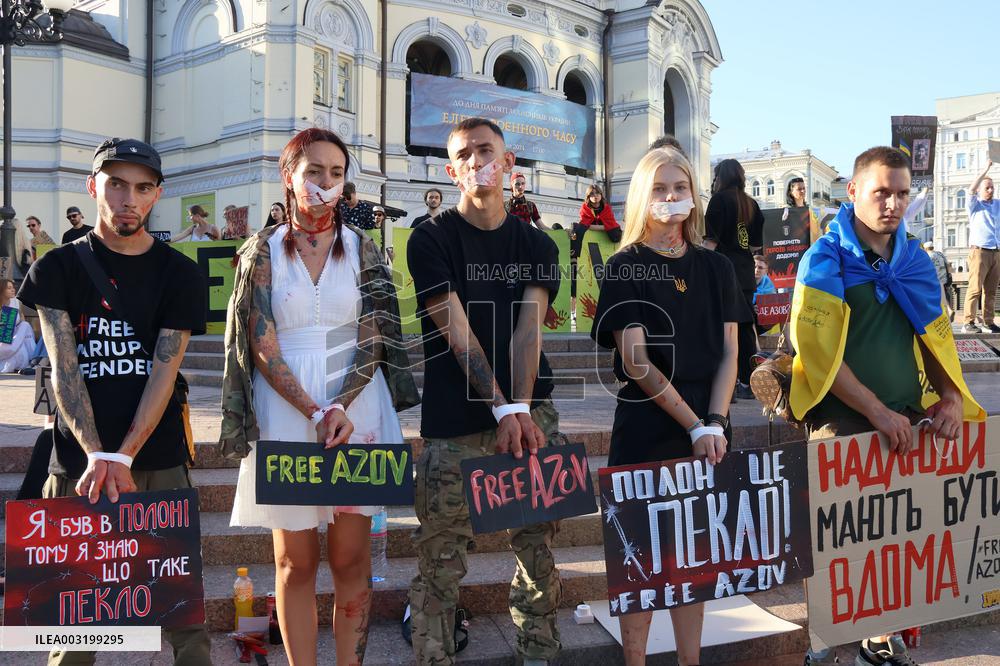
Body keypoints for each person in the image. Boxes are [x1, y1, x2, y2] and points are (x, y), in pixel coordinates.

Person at [221, 127, 419, 666]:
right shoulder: (260, 251)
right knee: (295, 562)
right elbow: (259, 340)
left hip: (360, 410)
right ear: (290, 177)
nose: (326, 183)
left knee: (352, 559)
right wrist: (314, 408)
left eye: (336, 173)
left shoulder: (364, 248)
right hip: (286, 413)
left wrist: (339, 406)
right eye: (314, 171)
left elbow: (374, 332)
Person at [16, 137, 211, 665]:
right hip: (77, 462)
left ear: (157, 195)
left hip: (158, 458)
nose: (129, 199)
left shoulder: (180, 273)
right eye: (116, 184)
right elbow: (64, 366)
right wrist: (98, 454)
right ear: (93, 186)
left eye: (143, 188)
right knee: (73, 625)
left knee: (184, 622)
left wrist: (121, 455)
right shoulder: (56, 268)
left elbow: (164, 371)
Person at [790, 146, 984, 666]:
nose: (893, 203)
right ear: (852, 193)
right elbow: (820, 353)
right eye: (882, 192)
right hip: (843, 417)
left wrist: (947, 397)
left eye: (901, 193)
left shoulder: (916, 258)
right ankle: (825, 644)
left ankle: (880, 639)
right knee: (839, 538)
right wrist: (875, 411)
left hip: (905, 414)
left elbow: (934, 335)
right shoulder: (823, 260)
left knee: (897, 533)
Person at [407, 118, 563, 666]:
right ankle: (433, 656)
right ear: (452, 171)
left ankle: (538, 653)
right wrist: (502, 407)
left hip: (531, 413)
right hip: (454, 424)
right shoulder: (430, 238)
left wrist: (518, 409)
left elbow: (529, 327)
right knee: (441, 561)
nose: (477, 161)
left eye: (486, 150)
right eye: (464, 155)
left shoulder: (538, 244)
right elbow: (456, 331)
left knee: (538, 548)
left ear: (508, 161)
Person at [591, 147, 743, 666]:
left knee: (692, 560)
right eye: (659, 188)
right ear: (641, 196)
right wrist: (696, 424)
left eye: (680, 187)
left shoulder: (717, 267)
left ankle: (689, 660)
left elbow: (730, 351)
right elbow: (636, 361)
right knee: (639, 562)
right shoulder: (624, 266)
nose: (672, 198)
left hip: (708, 433)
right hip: (646, 429)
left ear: (695, 196)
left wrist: (716, 423)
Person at [704, 158, 764, 400]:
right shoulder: (752, 204)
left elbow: (711, 243)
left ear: (722, 177)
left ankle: (724, 383)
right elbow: (756, 245)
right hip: (745, 271)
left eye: (716, 176)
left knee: (722, 327)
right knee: (744, 326)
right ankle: (750, 381)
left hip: (722, 270)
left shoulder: (719, 201)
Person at [963, 160, 999, 333]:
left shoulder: (998, 205)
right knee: (975, 288)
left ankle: (988, 322)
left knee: (991, 291)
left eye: (992, 187)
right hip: (979, 251)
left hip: (996, 252)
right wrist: (985, 170)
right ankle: (968, 322)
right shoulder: (974, 204)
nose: (991, 190)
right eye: (987, 187)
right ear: (979, 190)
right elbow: (970, 189)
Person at [0, 278, 36, 373]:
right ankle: (34, 359)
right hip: (2, 341)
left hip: (16, 337)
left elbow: (21, 320)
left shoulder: (15, 302)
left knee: (25, 325)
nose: (13, 290)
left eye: (13, 287)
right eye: (9, 288)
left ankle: (33, 360)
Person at [923, 241, 953, 318]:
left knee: (934, 298)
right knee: (944, 296)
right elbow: (948, 265)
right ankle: (947, 311)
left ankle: (946, 311)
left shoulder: (927, 256)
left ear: (925, 248)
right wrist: (949, 276)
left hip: (934, 280)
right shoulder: (940, 254)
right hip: (944, 279)